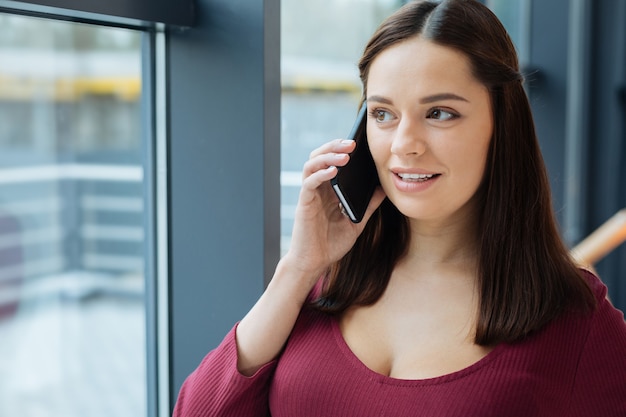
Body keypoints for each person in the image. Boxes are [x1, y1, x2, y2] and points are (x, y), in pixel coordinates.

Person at [173, 0, 626, 415]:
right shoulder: (322, 281)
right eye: (383, 114)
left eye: (440, 113)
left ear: (500, 125)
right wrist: (297, 269)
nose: (404, 145)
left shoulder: (575, 318)